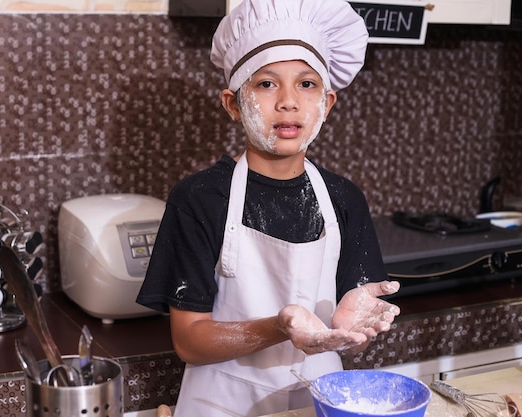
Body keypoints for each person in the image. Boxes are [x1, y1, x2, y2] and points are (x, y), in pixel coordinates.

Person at [136, 0, 401, 415]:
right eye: (266, 84)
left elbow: (352, 318)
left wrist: (351, 326)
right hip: (222, 401)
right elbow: (188, 341)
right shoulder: (200, 198)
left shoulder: (343, 198)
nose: (288, 102)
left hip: (320, 396)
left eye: (307, 84)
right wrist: (281, 328)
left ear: (327, 104)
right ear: (233, 103)